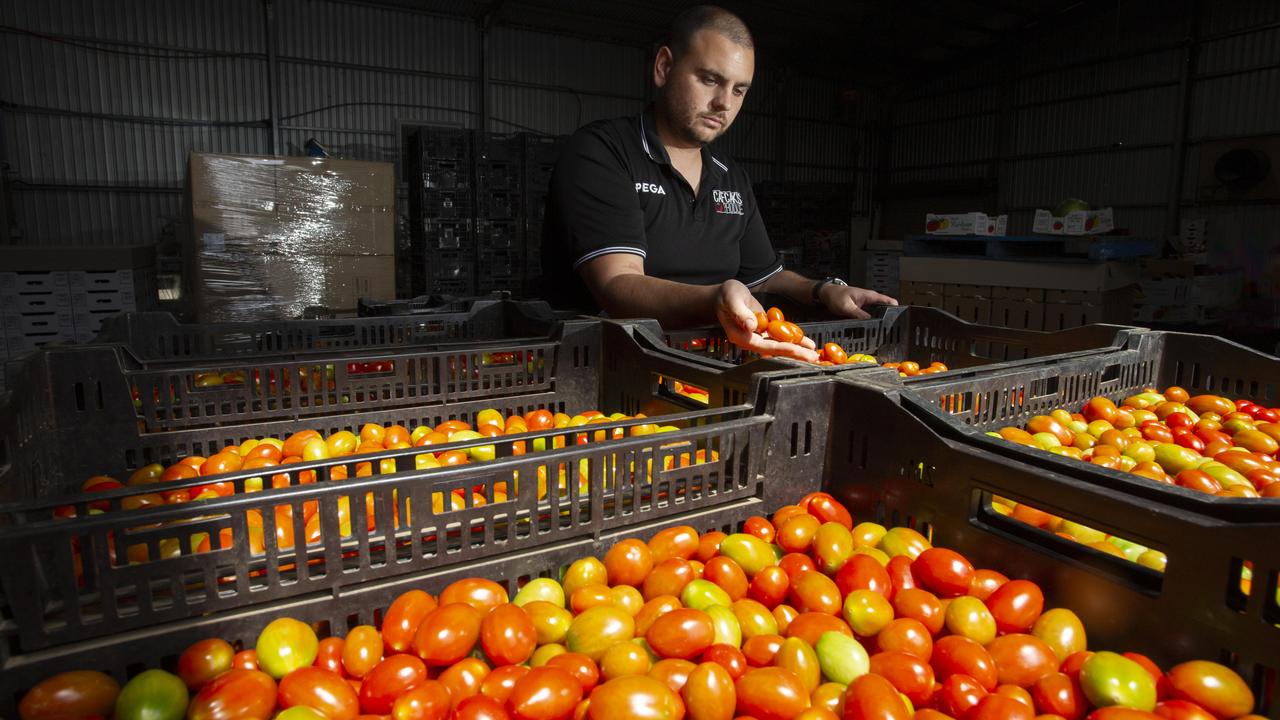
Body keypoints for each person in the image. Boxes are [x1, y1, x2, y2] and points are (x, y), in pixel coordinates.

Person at [541, 5, 896, 362]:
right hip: (611, 365)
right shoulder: (603, 152)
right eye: (710, 79)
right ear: (664, 67)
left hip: (709, 362)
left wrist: (824, 291)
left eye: (739, 90)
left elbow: (765, 276)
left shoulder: (731, 177)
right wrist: (715, 299)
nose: (724, 103)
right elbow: (617, 285)